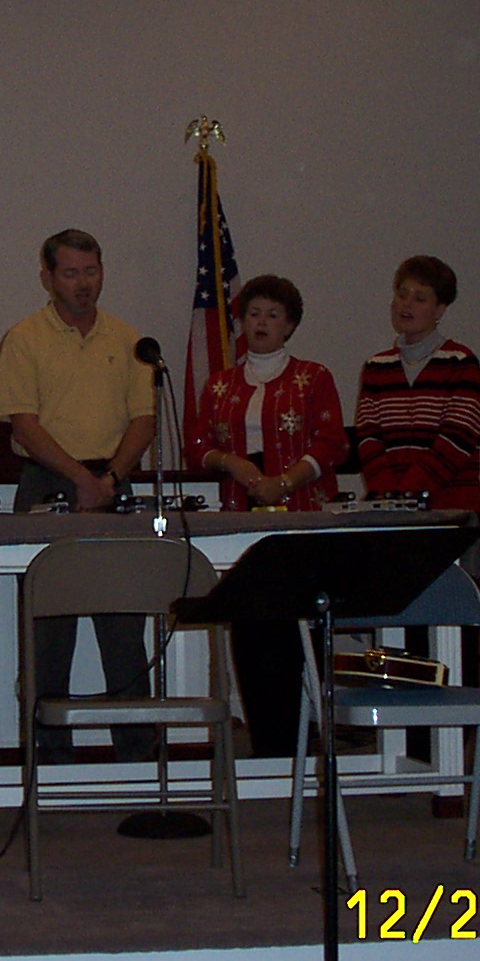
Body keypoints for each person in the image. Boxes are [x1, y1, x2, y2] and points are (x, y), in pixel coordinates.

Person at [0, 228, 156, 762]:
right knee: (48, 634)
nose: (83, 283)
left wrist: (108, 478)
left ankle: (136, 757)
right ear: (47, 278)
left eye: (91, 271)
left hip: (114, 484)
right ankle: (51, 763)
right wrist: (80, 479)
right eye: (70, 273)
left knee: (124, 630)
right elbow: (25, 425)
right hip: (47, 485)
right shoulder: (24, 338)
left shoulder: (128, 339)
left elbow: (144, 420)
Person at [186, 275, 348, 756]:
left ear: (290, 325)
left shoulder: (313, 378)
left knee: (300, 628)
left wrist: (288, 480)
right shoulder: (220, 385)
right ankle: (268, 745)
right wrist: (231, 464)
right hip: (244, 523)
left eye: (273, 315)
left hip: (302, 521)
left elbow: (332, 443)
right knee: (253, 628)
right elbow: (197, 445)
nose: (261, 322)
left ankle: (309, 736)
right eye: (253, 313)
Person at [353, 255, 480, 515]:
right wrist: (389, 497)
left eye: (420, 298)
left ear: (439, 310)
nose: (407, 304)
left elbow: (458, 438)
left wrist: (409, 495)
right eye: (402, 295)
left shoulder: (461, 363)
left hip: (451, 511)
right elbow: (368, 438)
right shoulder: (376, 367)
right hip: (389, 512)